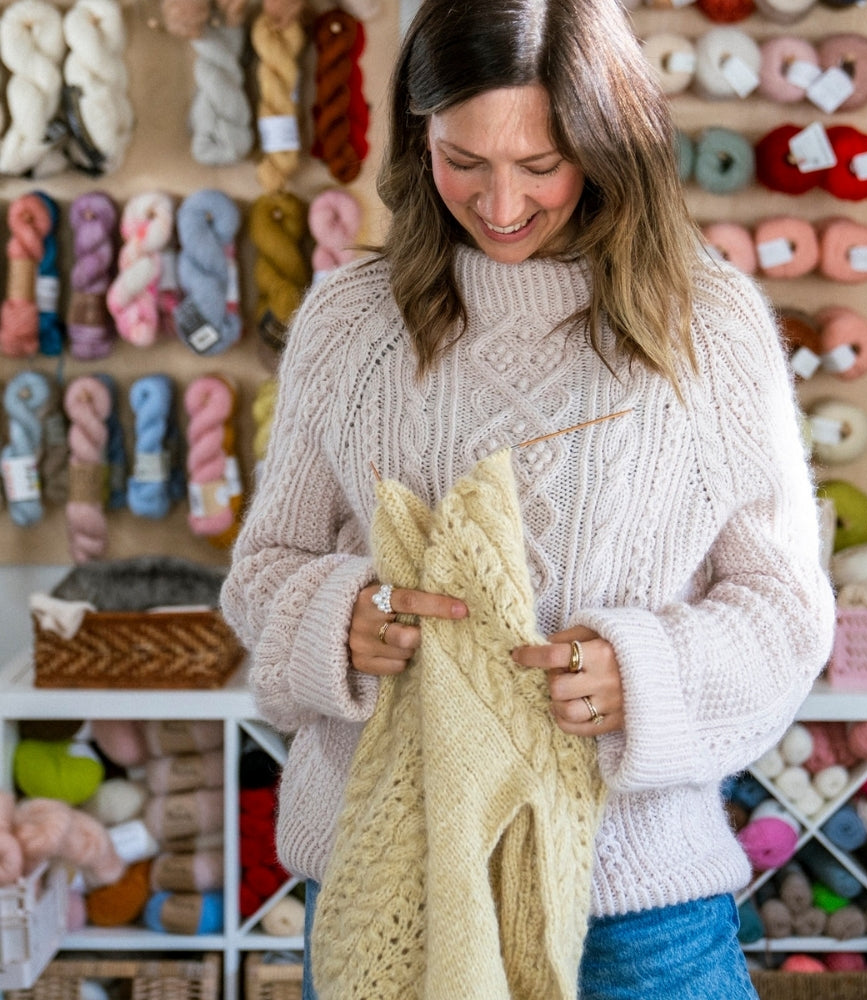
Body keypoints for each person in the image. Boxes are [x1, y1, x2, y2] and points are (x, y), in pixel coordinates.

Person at [220, 0, 836, 996]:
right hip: (391, 892)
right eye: (464, 160)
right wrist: (341, 621)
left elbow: (785, 610)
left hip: (634, 918)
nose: (500, 203)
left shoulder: (704, 326)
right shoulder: (348, 320)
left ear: (607, 143)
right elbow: (263, 572)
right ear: (419, 135)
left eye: (539, 165)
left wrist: (642, 673)